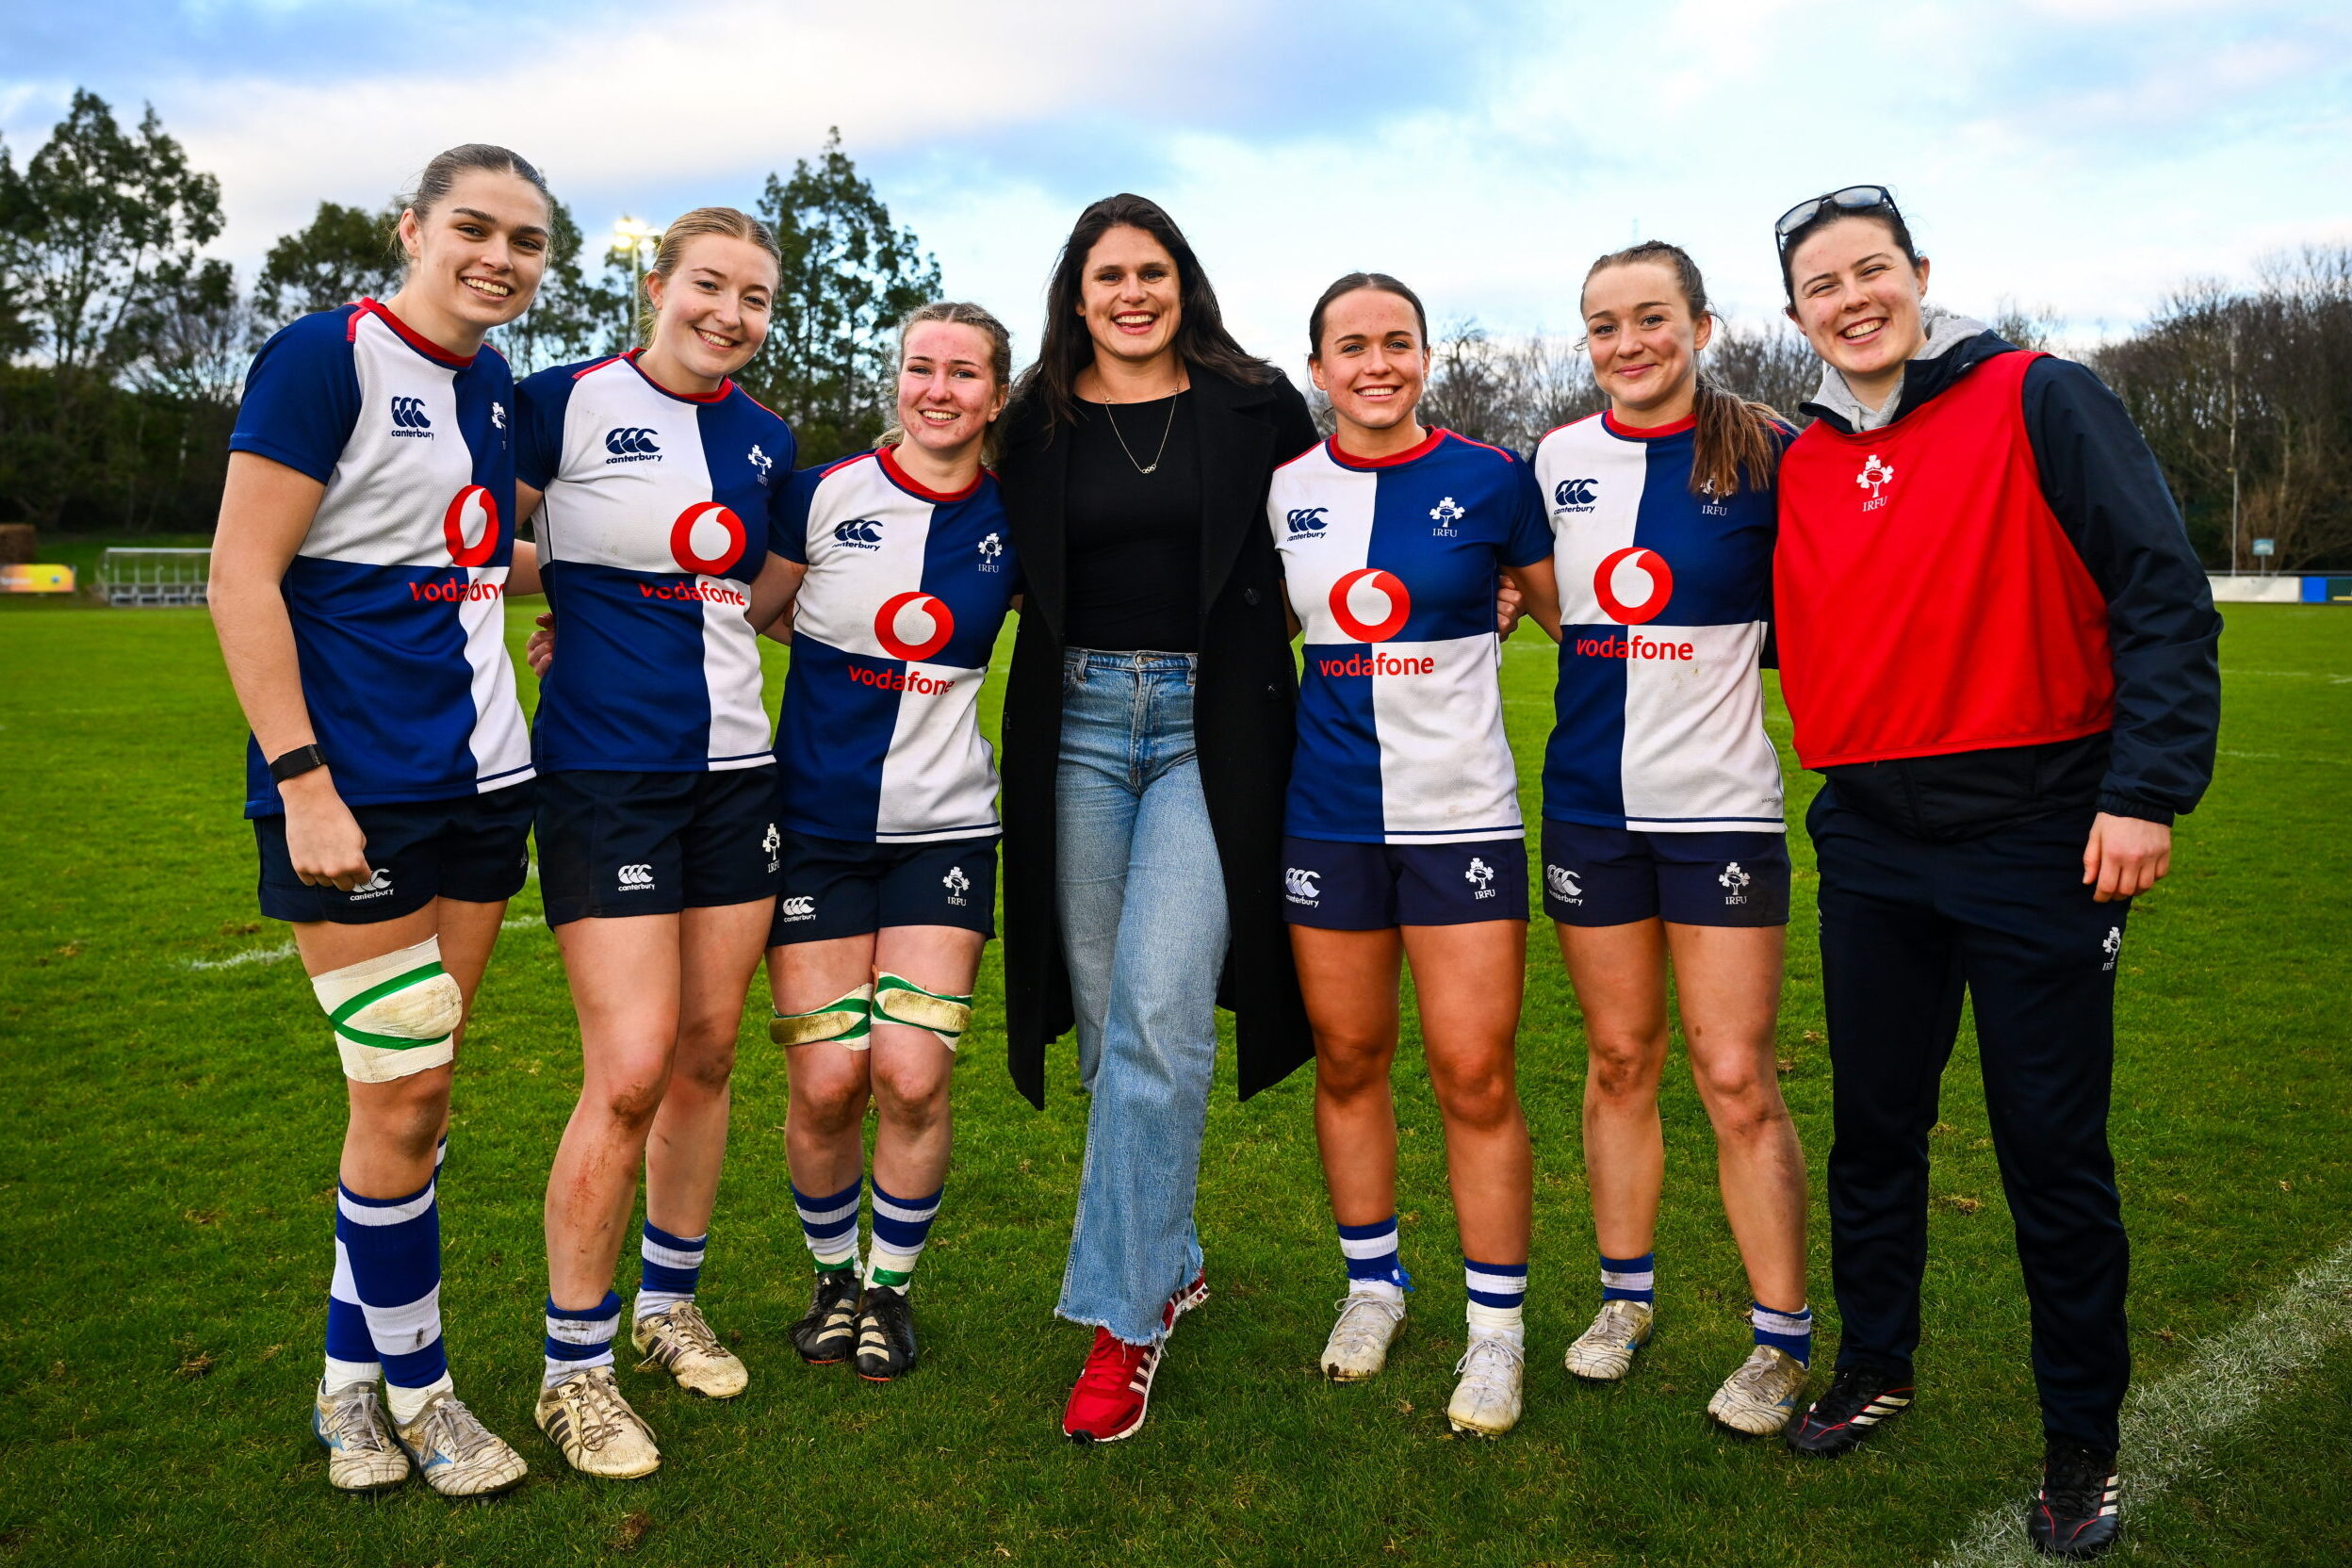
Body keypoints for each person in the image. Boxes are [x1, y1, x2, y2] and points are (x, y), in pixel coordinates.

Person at [1767, 186, 2220, 1559]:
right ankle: (1877, 1360)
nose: (1851, 300)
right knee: (1874, 1127)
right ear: (1796, 315)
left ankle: (2081, 1438)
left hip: (2041, 835)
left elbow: (2160, 589)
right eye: (1821, 285)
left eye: (1871, 271)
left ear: (1919, 273)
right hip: (1871, 840)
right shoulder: (1802, 459)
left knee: (2051, 1151)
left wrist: (2143, 789)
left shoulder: (2040, 393)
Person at [207, 143, 551, 1496]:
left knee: (415, 1093)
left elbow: (465, 552)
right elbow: (242, 575)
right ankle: (426, 1395)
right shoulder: (324, 356)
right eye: (475, 226)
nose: (500, 257)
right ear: (413, 229)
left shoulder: (498, 386)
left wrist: (607, 588)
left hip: (485, 784)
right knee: (401, 1092)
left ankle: (347, 1384)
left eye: (527, 240)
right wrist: (303, 780)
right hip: (354, 793)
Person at [993, 194, 1320, 1444]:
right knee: (1106, 1027)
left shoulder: (1257, 405)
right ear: (1076, 296)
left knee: (1157, 1016)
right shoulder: (1033, 421)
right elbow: (952, 539)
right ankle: (1170, 1258)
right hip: (1074, 728)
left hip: (1209, 729)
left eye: (1153, 271)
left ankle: (1122, 1326)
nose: (1133, 293)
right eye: (1109, 275)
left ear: (1184, 283)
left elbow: (1325, 535)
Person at [514, 207, 795, 1479]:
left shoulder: (767, 438)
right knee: (627, 1070)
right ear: (658, 284)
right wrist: (572, 592)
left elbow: (767, 594)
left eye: (755, 298)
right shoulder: (560, 400)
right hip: (607, 779)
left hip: (737, 775)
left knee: (707, 1050)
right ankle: (572, 1371)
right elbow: (479, 540)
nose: (730, 314)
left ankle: (668, 1304)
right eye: (710, 286)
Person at [1528, 241, 1813, 1437]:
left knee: (1735, 1073)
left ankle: (1781, 1339)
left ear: (1701, 325)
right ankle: (1624, 1298)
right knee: (1618, 1057)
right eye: (1605, 325)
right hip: (1590, 807)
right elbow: (1549, 603)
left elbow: (1818, 603)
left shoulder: (1771, 451)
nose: (1628, 342)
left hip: (1722, 809)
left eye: (1652, 318)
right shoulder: (1554, 459)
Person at [1268, 273, 1557, 1436]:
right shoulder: (1286, 488)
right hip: (1328, 815)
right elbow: (1267, 629)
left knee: (1473, 1071)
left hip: (1462, 816)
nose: (1376, 363)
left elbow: (1561, 608)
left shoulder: (1491, 477)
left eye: (1397, 342)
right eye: (1352, 346)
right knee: (1348, 1058)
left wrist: (1500, 603)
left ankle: (1497, 1330)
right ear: (1318, 368)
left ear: (1427, 358)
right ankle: (1372, 1285)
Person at [761, 302, 1018, 1384]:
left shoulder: (1017, 514)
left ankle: (890, 1290)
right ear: (898, 380)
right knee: (829, 1080)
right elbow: (736, 609)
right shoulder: (821, 494)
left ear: (997, 395)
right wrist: (574, 625)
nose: (938, 389)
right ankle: (832, 1279)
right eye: (921, 368)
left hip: (945, 832)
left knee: (910, 1074)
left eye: (963, 372)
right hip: (814, 829)